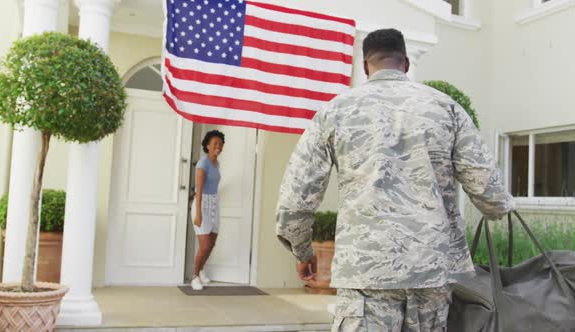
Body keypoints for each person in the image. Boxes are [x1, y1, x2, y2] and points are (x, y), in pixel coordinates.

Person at [275, 29, 514, 331]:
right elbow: (490, 193)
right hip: (431, 272)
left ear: (365, 67)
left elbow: (295, 199)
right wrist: (499, 209)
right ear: (406, 64)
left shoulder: (335, 112)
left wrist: (303, 251)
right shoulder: (447, 108)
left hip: (365, 274)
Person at [191, 130, 225, 291]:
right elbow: (198, 191)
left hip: (214, 203)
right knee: (204, 245)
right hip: (202, 203)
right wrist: (198, 213)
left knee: (211, 243)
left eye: (220, 144)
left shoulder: (216, 164)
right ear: (207, 146)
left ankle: (201, 269)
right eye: (215, 144)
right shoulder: (202, 164)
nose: (218, 146)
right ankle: (195, 276)